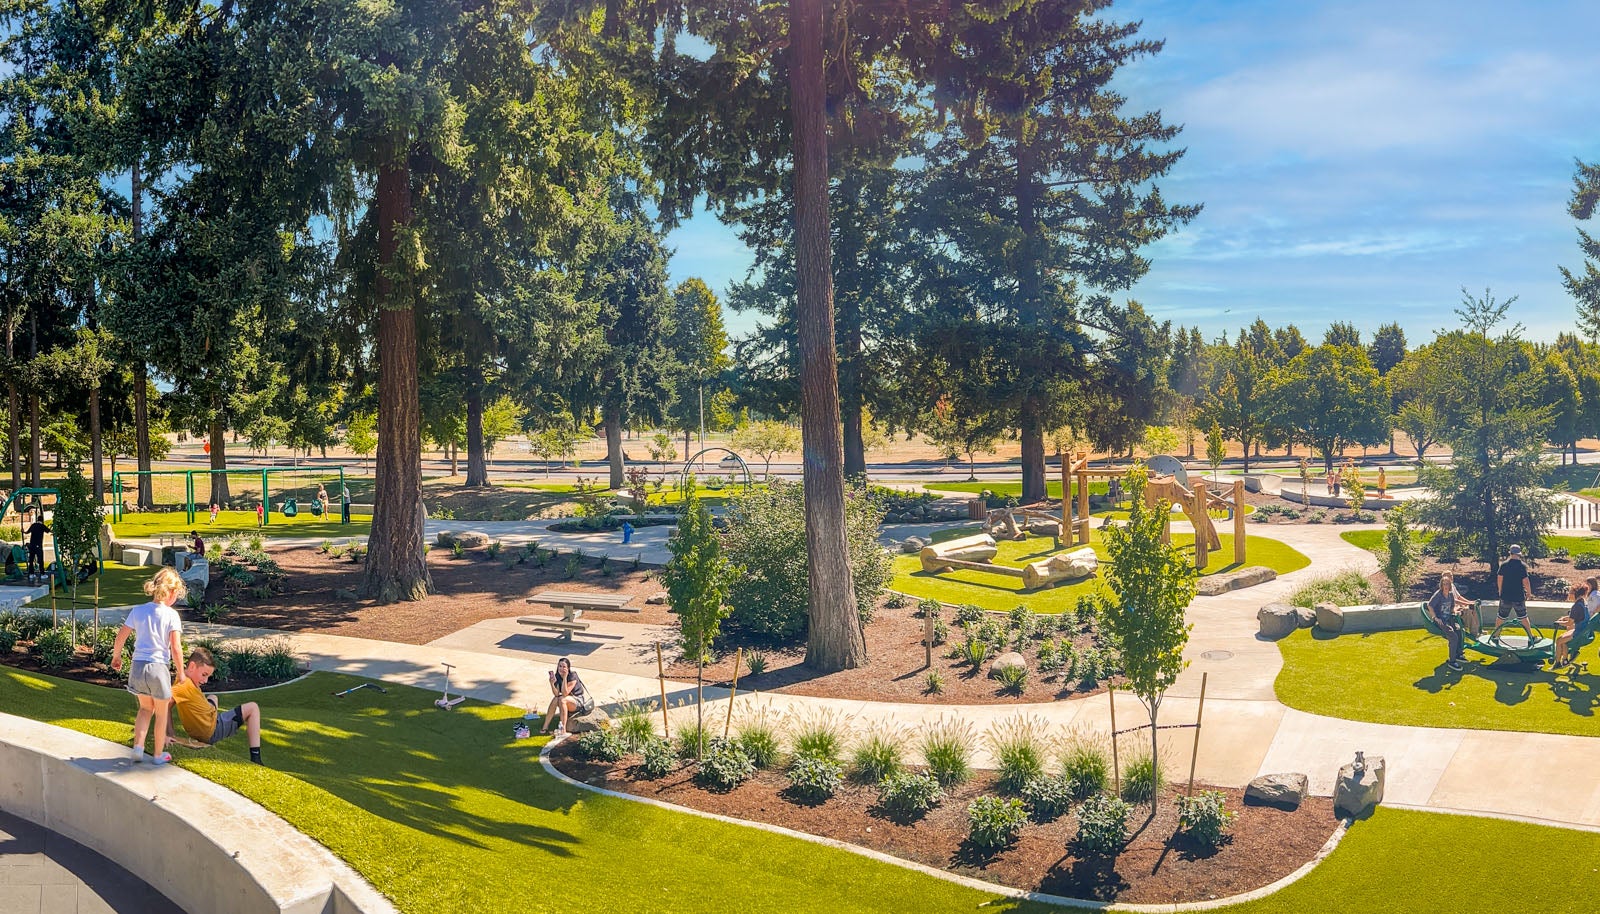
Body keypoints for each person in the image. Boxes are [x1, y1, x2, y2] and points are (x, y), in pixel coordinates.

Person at [110, 568, 188, 765]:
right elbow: (176, 648)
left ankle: (138, 748)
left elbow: (122, 635)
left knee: (145, 709)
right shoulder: (171, 615)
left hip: (137, 667)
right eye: (176, 595)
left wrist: (117, 656)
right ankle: (158, 754)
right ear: (171, 592)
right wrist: (181, 673)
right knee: (161, 713)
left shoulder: (138, 610)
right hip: (158, 667)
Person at [168, 646, 265, 764]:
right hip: (213, 729)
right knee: (253, 707)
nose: (205, 681)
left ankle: (213, 710)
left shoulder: (182, 678)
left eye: (208, 676)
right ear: (192, 666)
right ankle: (256, 759)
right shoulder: (184, 685)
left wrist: (170, 732)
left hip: (209, 720)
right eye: (204, 674)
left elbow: (167, 705)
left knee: (213, 697)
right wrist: (168, 733)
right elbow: (165, 704)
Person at [1489, 544, 1538, 646]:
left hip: (1505, 596)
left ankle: (1496, 636)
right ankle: (1530, 637)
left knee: (1501, 617)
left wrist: (1500, 591)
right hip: (1518, 596)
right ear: (1519, 554)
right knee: (1523, 617)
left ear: (1510, 553)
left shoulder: (1504, 565)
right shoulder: (1522, 566)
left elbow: (1499, 578)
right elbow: (1526, 581)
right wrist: (1529, 593)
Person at [1427, 572, 1473, 671]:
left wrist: (1455, 612)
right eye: (1444, 584)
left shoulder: (1451, 595)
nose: (1446, 586)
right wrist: (1435, 617)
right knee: (1453, 636)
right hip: (1441, 620)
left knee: (1460, 631)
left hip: (1448, 618)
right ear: (1441, 585)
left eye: (1447, 584)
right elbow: (1429, 605)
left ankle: (1458, 654)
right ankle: (1452, 661)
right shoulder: (1438, 595)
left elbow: (1452, 607)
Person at [539, 657, 594, 736]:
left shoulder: (572, 676)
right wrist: (552, 683)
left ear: (568, 668)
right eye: (560, 666)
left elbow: (565, 693)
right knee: (555, 699)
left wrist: (565, 678)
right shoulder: (557, 676)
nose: (561, 668)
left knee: (562, 699)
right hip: (567, 699)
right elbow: (556, 694)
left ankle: (563, 729)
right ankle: (545, 726)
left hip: (577, 700)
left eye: (564, 666)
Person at [1553, 583, 1590, 668]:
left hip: (1578, 632)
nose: (1569, 594)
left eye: (1570, 593)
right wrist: (1564, 618)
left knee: (1558, 641)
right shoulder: (1583, 602)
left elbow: (1569, 623)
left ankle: (1557, 663)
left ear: (1575, 594)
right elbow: (1576, 617)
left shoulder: (1576, 606)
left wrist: (1558, 622)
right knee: (1563, 641)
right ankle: (1565, 661)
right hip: (1583, 629)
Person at [24, 510, 48, 584]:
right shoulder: (42, 526)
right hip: (38, 546)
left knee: (31, 559)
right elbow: (49, 531)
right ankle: (42, 574)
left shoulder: (33, 525)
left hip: (32, 545)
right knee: (40, 560)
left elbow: (27, 532)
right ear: (42, 520)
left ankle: (31, 574)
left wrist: (23, 531)